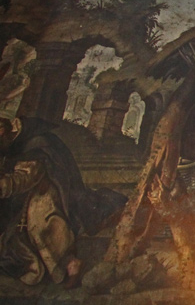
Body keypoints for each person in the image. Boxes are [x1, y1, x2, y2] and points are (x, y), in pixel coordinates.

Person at [0, 117, 125, 287]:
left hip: (47, 188)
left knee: (42, 220)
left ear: (3, 131)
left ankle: (70, 263)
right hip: (20, 195)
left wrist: (4, 185)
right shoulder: (9, 140)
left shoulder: (35, 144)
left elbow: (26, 178)